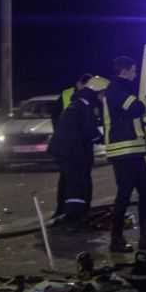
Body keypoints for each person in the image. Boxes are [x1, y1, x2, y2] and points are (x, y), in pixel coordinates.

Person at [104, 56, 146, 253]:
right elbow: (136, 109)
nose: (136, 73)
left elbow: (135, 113)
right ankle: (116, 239)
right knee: (125, 195)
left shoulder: (120, 88)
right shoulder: (117, 87)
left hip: (132, 150)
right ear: (125, 71)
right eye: (134, 70)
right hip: (125, 150)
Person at [48, 76, 109, 229]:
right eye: (103, 94)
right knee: (78, 183)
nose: (104, 98)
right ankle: (74, 218)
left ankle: (73, 214)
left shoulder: (80, 103)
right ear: (95, 93)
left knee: (75, 182)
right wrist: (104, 139)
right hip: (71, 151)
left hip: (68, 150)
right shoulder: (86, 106)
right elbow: (90, 130)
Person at [50, 73, 93, 220]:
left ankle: (79, 210)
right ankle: (65, 211)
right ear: (79, 83)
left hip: (81, 145)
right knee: (70, 180)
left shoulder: (89, 98)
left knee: (81, 178)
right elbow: (55, 116)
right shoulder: (67, 94)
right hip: (70, 146)